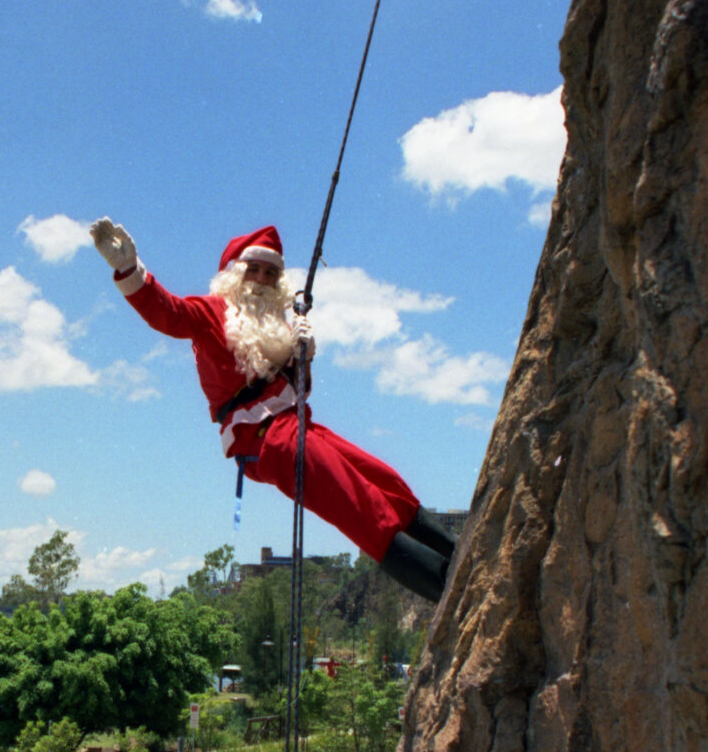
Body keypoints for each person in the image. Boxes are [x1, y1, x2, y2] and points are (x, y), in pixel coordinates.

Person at [90, 218, 455, 600]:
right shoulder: (212, 312)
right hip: (264, 441)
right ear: (235, 273)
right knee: (358, 504)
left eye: (270, 272)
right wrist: (130, 271)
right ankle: (443, 584)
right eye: (254, 269)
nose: (262, 279)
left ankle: (455, 550)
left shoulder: (278, 324)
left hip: (299, 425)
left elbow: (299, 393)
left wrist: (303, 354)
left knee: (383, 481)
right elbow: (167, 313)